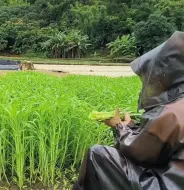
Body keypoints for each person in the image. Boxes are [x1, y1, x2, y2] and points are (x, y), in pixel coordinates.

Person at [73, 31, 184, 190]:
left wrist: (119, 126)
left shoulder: (175, 112)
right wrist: (130, 125)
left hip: (166, 186)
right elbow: (156, 144)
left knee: (97, 155)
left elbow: (139, 152)